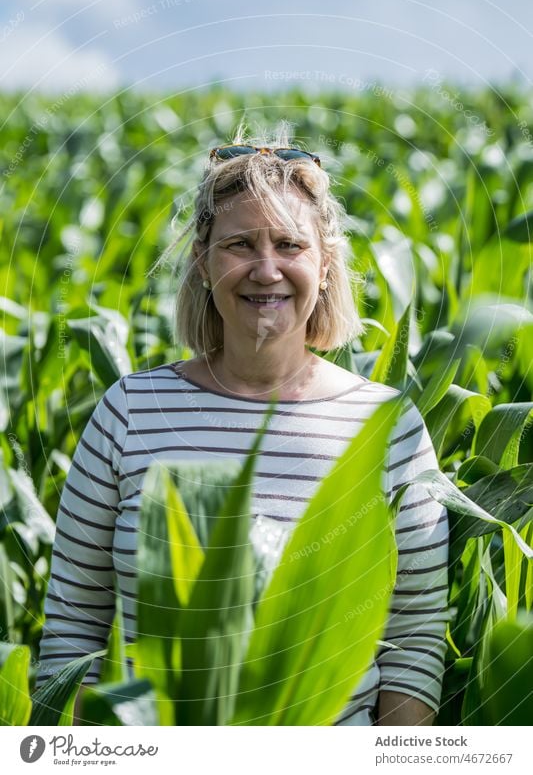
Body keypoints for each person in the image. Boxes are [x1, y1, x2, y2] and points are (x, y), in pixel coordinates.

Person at [36, 123, 449, 726]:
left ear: (326, 264)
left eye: (289, 244)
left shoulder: (387, 426)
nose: (265, 269)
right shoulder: (129, 411)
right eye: (239, 245)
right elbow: (75, 629)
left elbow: (413, 640)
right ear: (203, 261)